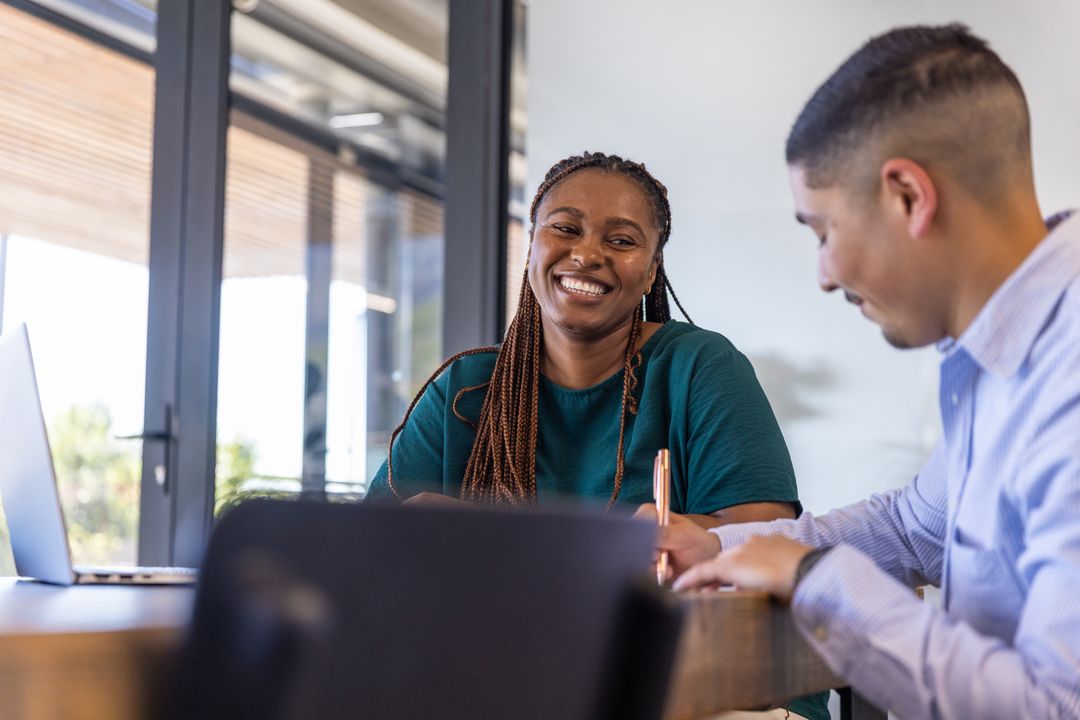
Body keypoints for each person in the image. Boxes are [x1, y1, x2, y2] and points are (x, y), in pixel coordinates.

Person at [647, 24, 1080, 719]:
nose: (824, 275)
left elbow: (1055, 705)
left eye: (823, 232)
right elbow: (913, 530)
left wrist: (815, 579)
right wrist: (717, 548)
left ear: (908, 195)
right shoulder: (996, 355)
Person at [365, 151, 828, 719]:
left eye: (622, 240)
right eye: (565, 228)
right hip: (516, 678)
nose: (587, 254)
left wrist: (502, 552)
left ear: (651, 270)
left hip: (715, 689)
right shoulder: (465, 392)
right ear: (532, 245)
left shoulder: (698, 367)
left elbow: (765, 544)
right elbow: (367, 559)